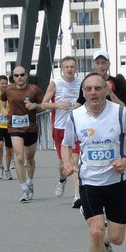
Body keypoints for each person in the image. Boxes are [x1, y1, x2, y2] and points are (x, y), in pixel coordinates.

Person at [61, 72, 126, 252]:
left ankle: (107, 245)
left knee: (116, 238)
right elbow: (66, 145)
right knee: (96, 231)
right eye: (88, 89)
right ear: (83, 92)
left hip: (115, 182)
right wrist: (67, 163)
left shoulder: (119, 113)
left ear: (106, 90)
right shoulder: (76, 116)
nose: (93, 93)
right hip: (89, 183)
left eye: (98, 88)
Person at [0, 65, 44, 202]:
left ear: (26, 76)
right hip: (14, 128)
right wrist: (3, 110)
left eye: (21, 75)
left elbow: (43, 105)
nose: (19, 77)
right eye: (16, 75)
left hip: (30, 128)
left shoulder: (34, 89)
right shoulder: (8, 90)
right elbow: (2, 101)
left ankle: (30, 182)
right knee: (19, 157)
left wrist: (35, 106)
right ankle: (24, 189)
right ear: (13, 77)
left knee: (29, 159)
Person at [41, 56, 82, 202]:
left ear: (75, 69)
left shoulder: (81, 83)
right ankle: (62, 180)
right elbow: (43, 104)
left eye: (72, 67)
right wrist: (58, 105)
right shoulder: (55, 83)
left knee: (75, 160)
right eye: (67, 67)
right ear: (62, 69)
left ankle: (77, 195)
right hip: (60, 127)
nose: (69, 69)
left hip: (77, 127)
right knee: (63, 164)